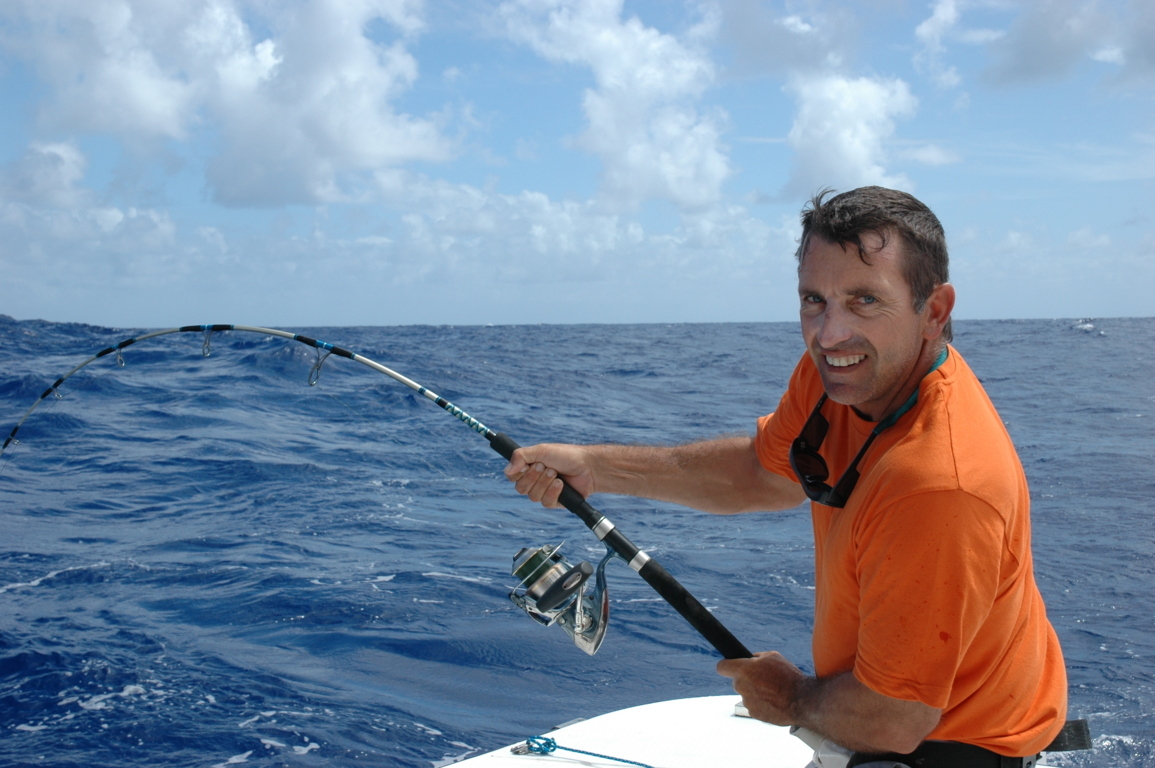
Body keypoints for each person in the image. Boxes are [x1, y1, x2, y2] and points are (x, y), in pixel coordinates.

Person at [503, 186, 1068, 767]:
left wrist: (792, 696)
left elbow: (893, 718)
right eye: (814, 300)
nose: (828, 334)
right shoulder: (845, 378)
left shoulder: (939, 487)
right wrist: (596, 466)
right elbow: (762, 473)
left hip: (952, 749)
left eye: (865, 300)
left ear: (936, 311)